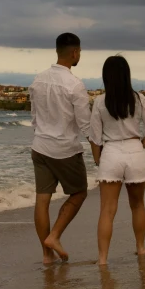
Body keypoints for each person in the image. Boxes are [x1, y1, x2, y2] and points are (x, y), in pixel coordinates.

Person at [89, 55, 145, 265]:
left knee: (107, 210)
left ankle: (102, 259)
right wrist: (139, 146)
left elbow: (94, 136)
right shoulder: (139, 99)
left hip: (110, 153)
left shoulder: (100, 101)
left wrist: (98, 160)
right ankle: (140, 247)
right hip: (134, 150)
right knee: (137, 205)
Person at [29, 33, 91, 263]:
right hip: (65, 149)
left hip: (40, 146)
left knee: (42, 200)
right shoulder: (75, 84)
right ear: (75, 53)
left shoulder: (38, 79)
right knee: (79, 192)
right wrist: (100, 149)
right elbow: (85, 124)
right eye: (80, 52)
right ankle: (54, 236)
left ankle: (47, 255)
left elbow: (34, 118)